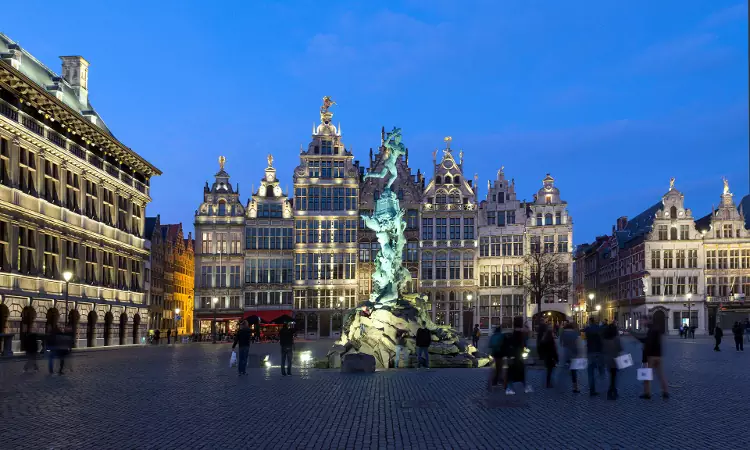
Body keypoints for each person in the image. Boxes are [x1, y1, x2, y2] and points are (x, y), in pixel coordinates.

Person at [638, 317, 669, 400]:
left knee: (647, 375)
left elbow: (648, 343)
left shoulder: (651, 330)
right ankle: (665, 392)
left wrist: (645, 357)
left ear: (648, 320)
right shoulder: (656, 329)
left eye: (642, 321)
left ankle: (647, 393)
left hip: (651, 356)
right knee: (661, 375)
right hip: (658, 355)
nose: (642, 322)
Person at [504, 316, 532, 395]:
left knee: (512, 372)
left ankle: (510, 387)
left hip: (514, 355)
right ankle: (523, 387)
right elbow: (525, 342)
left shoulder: (514, 333)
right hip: (519, 355)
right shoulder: (521, 333)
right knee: (519, 372)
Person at [584, 318, 605, 396]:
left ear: (590, 321)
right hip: (599, 351)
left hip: (590, 352)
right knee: (601, 369)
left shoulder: (587, 329)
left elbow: (585, 338)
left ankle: (592, 390)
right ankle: (602, 383)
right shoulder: (599, 329)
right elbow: (602, 339)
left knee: (590, 372)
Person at [602, 322, 622, 400]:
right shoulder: (616, 338)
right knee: (614, 376)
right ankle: (612, 391)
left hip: (607, 360)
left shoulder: (605, 339)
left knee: (611, 375)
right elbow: (620, 348)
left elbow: (603, 349)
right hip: (615, 360)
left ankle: (611, 390)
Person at [559, 322, 580, 393]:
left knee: (564, 369)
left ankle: (561, 386)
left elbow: (560, 343)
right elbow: (577, 342)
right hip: (573, 352)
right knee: (574, 371)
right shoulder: (574, 333)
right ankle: (575, 387)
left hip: (565, 352)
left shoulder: (563, 333)